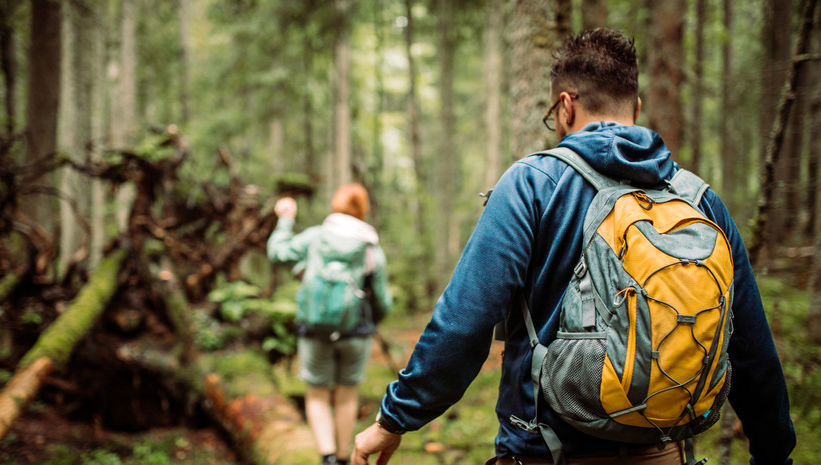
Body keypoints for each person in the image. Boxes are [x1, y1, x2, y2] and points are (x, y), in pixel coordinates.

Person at [352, 29, 795, 465]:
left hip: (546, 454)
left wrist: (394, 419)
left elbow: (463, 321)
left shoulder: (532, 184)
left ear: (565, 106)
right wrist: (774, 453)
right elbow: (752, 349)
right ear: (636, 108)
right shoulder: (698, 200)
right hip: (664, 454)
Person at [268, 183, 392, 465]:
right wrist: (372, 322)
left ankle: (327, 458)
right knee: (347, 395)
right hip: (356, 332)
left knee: (317, 394)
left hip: (315, 330)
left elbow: (278, 253)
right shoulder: (370, 246)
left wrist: (285, 220)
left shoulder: (316, 237)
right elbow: (382, 299)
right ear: (362, 209)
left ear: (337, 205)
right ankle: (343, 457)